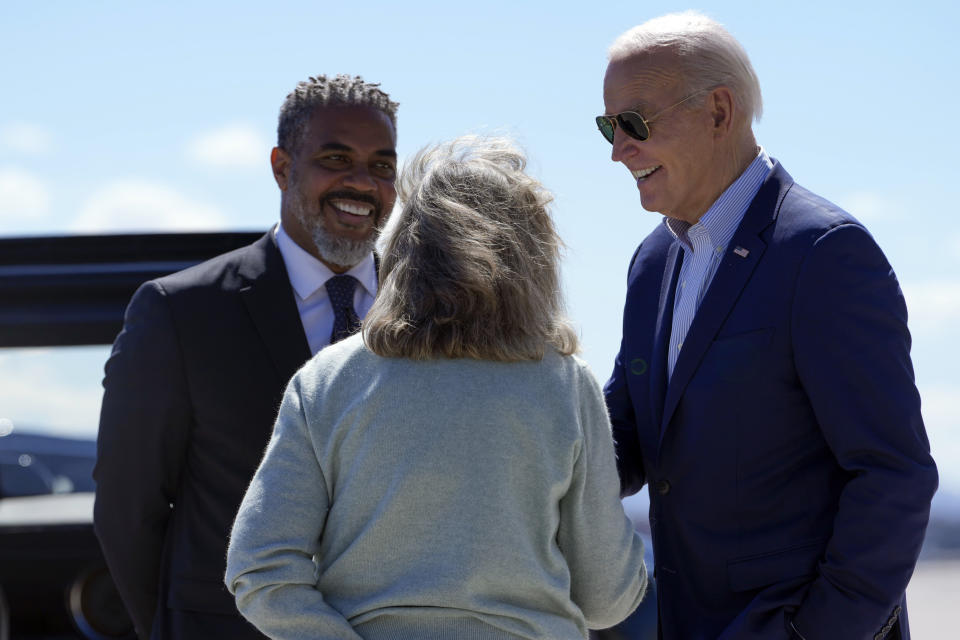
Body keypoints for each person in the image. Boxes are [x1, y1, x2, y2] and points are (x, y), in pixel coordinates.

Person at [597, 12, 938, 640]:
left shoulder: (825, 252)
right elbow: (627, 441)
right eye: (608, 126)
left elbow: (894, 474)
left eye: (634, 123)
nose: (619, 149)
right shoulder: (650, 263)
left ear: (720, 112)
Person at [224, 136, 648, 639]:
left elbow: (259, 570)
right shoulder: (564, 383)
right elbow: (607, 598)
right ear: (532, 259)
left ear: (401, 249)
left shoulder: (325, 382)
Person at [93, 74, 399, 640]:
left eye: (382, 165)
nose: (363, 182)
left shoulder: (435, 313)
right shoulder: (180, 313)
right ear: (283, 167)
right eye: (336, 158)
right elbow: (126, 509)